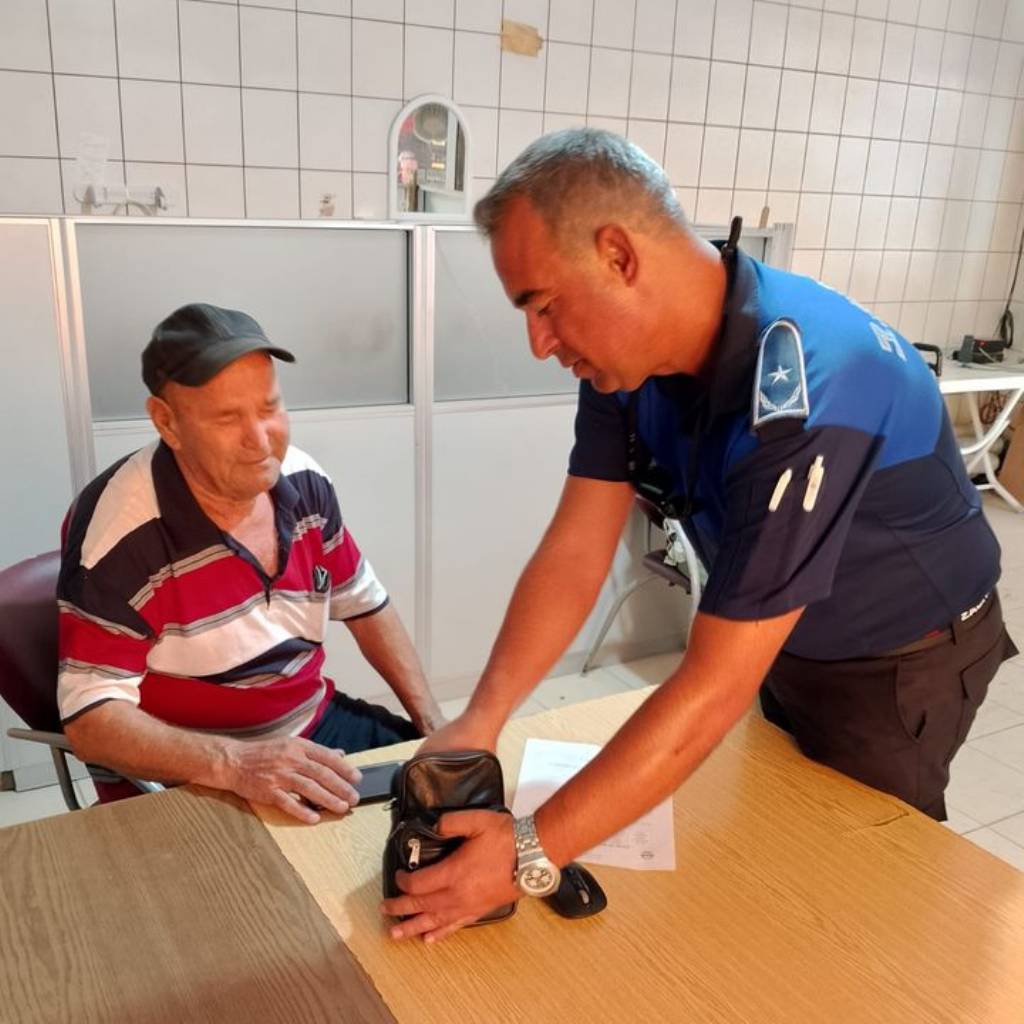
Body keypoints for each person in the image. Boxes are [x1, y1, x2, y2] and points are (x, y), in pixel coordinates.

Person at [380, 128, 1016, 941]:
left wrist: (527, 852)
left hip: (901, 664)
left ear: (617, 254)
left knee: (857, 890)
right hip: (786, 640)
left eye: (543, 305)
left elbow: (713, 684)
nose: (539, 343)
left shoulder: (812, 381)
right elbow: (576, 550)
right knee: (775, 844)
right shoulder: (627, 367)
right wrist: (482, 717)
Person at [59, 302, 444, 823]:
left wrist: (433, 724)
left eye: (269, 408)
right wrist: (234, 763)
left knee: (443, 800)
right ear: (166, 422)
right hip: (186, 767)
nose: (260, 441)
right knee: (251, 897)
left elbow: (365, 602)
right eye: (227, 418)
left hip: (308, 725)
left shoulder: (305, 482)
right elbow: (90, 723)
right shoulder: (121, 536)